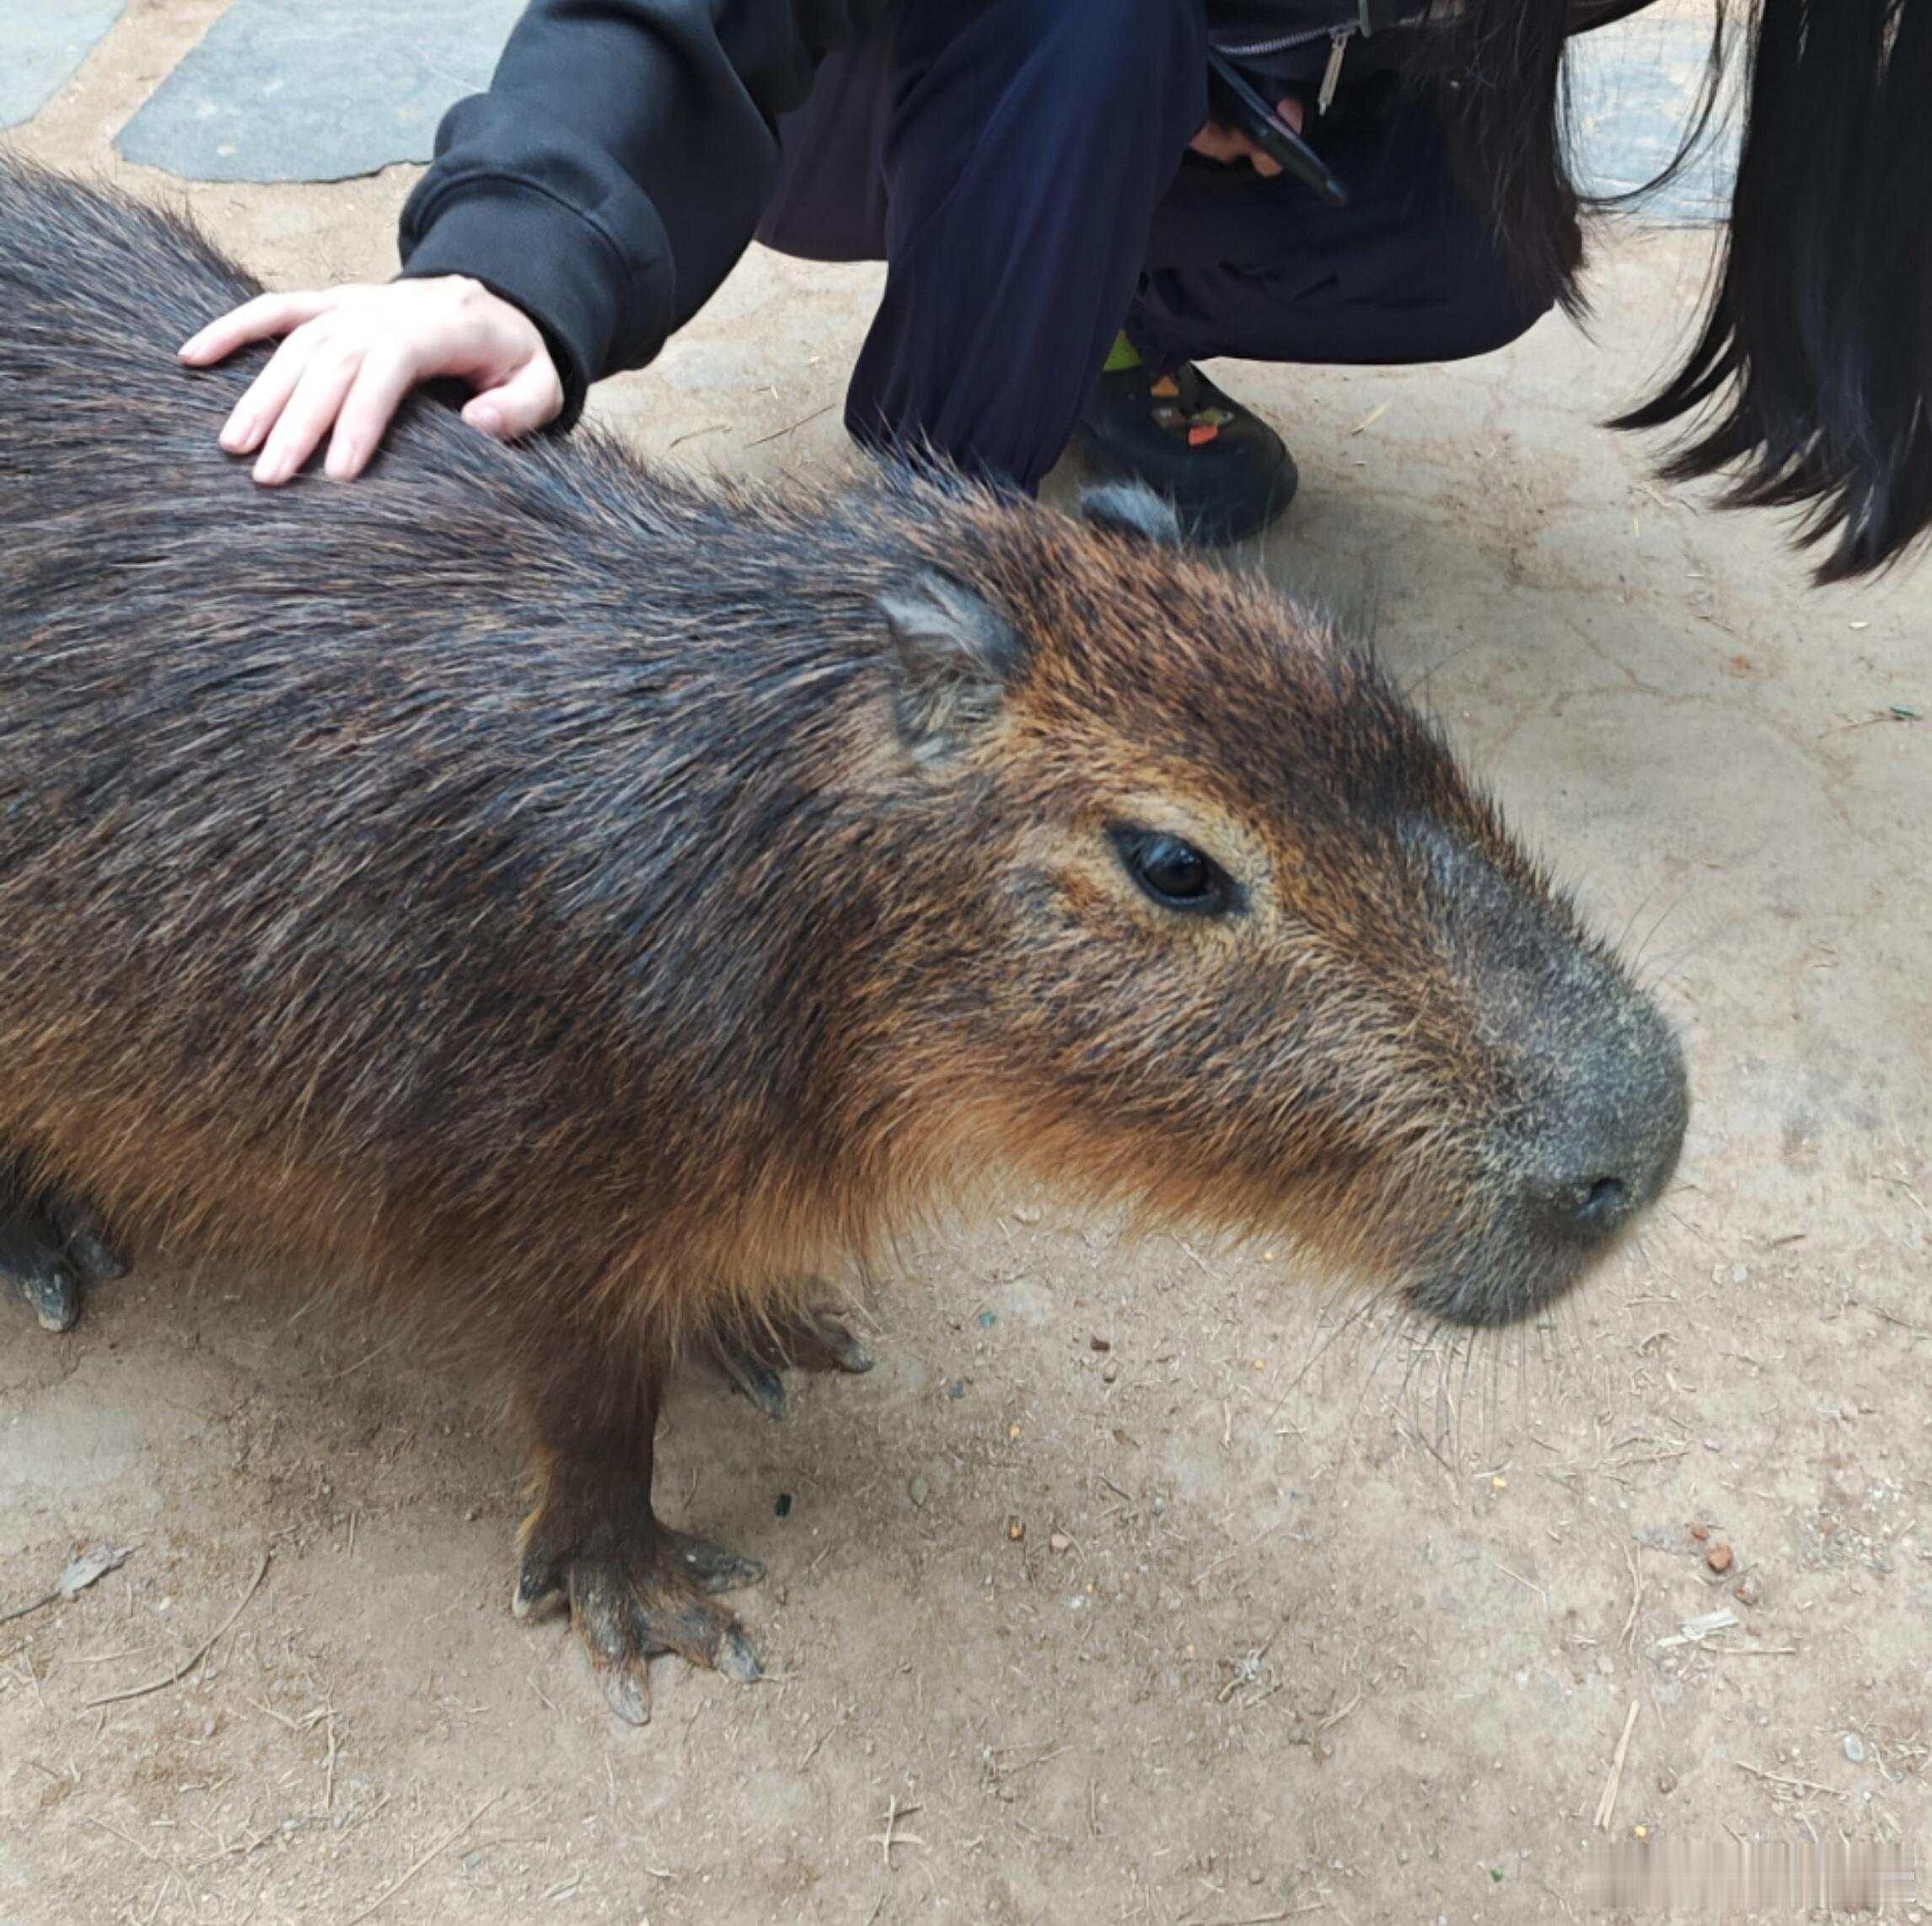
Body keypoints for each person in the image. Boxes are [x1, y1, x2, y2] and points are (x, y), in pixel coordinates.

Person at [180, 0, 1932, 580]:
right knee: (1092, 27)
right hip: (872, 95)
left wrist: (1264, 67)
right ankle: (912, 578)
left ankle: (1095, 323)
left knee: (1471, 249)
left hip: (1187, 90)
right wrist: (518, 257)